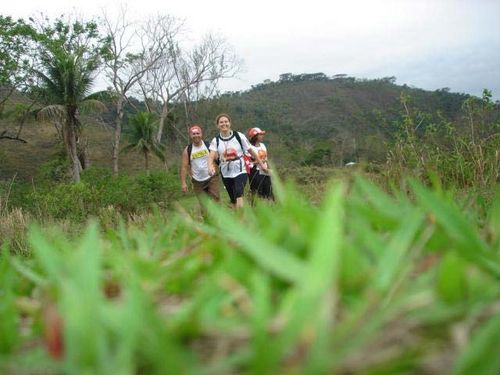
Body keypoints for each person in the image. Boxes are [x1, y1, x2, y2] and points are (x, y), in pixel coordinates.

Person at [208, 113, 267, 209]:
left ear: (230, 123)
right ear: (217, 125)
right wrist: (210, 166)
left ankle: (242, 219)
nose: (224, 124)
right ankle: (238, 219)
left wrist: (262, 164)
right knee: (233, 199)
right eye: (221, 122)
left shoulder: (239, 136)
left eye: (226, 121)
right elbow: (211, 156)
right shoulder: (216, 140)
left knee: (239, 194)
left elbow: (251, 151)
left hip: (240, 169)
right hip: (225, 172)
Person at [180, 124, 220, 209]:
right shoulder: (187, 150)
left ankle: (220, 220)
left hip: (211, 177)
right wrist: (183, 183)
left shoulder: (209, 145)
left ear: (201, 134)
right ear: (190, 136)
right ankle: (207, 221)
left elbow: (218, 159)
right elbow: (184, 167)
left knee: (216, 199)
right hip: (197, 181)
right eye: (193, 134)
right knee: (204, 205)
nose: (196, 135)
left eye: (198, 133)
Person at [247, 127, 273, 203]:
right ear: (255, 136)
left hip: (265, 171)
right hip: (255, 172)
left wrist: (268, 167)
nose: (262, 136)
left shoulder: (263, 145)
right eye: (260, 134)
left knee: (268, 191)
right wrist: (259, 162)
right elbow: (249, 163)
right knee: (257, 192)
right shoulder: (250, 148)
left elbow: (266, 158)